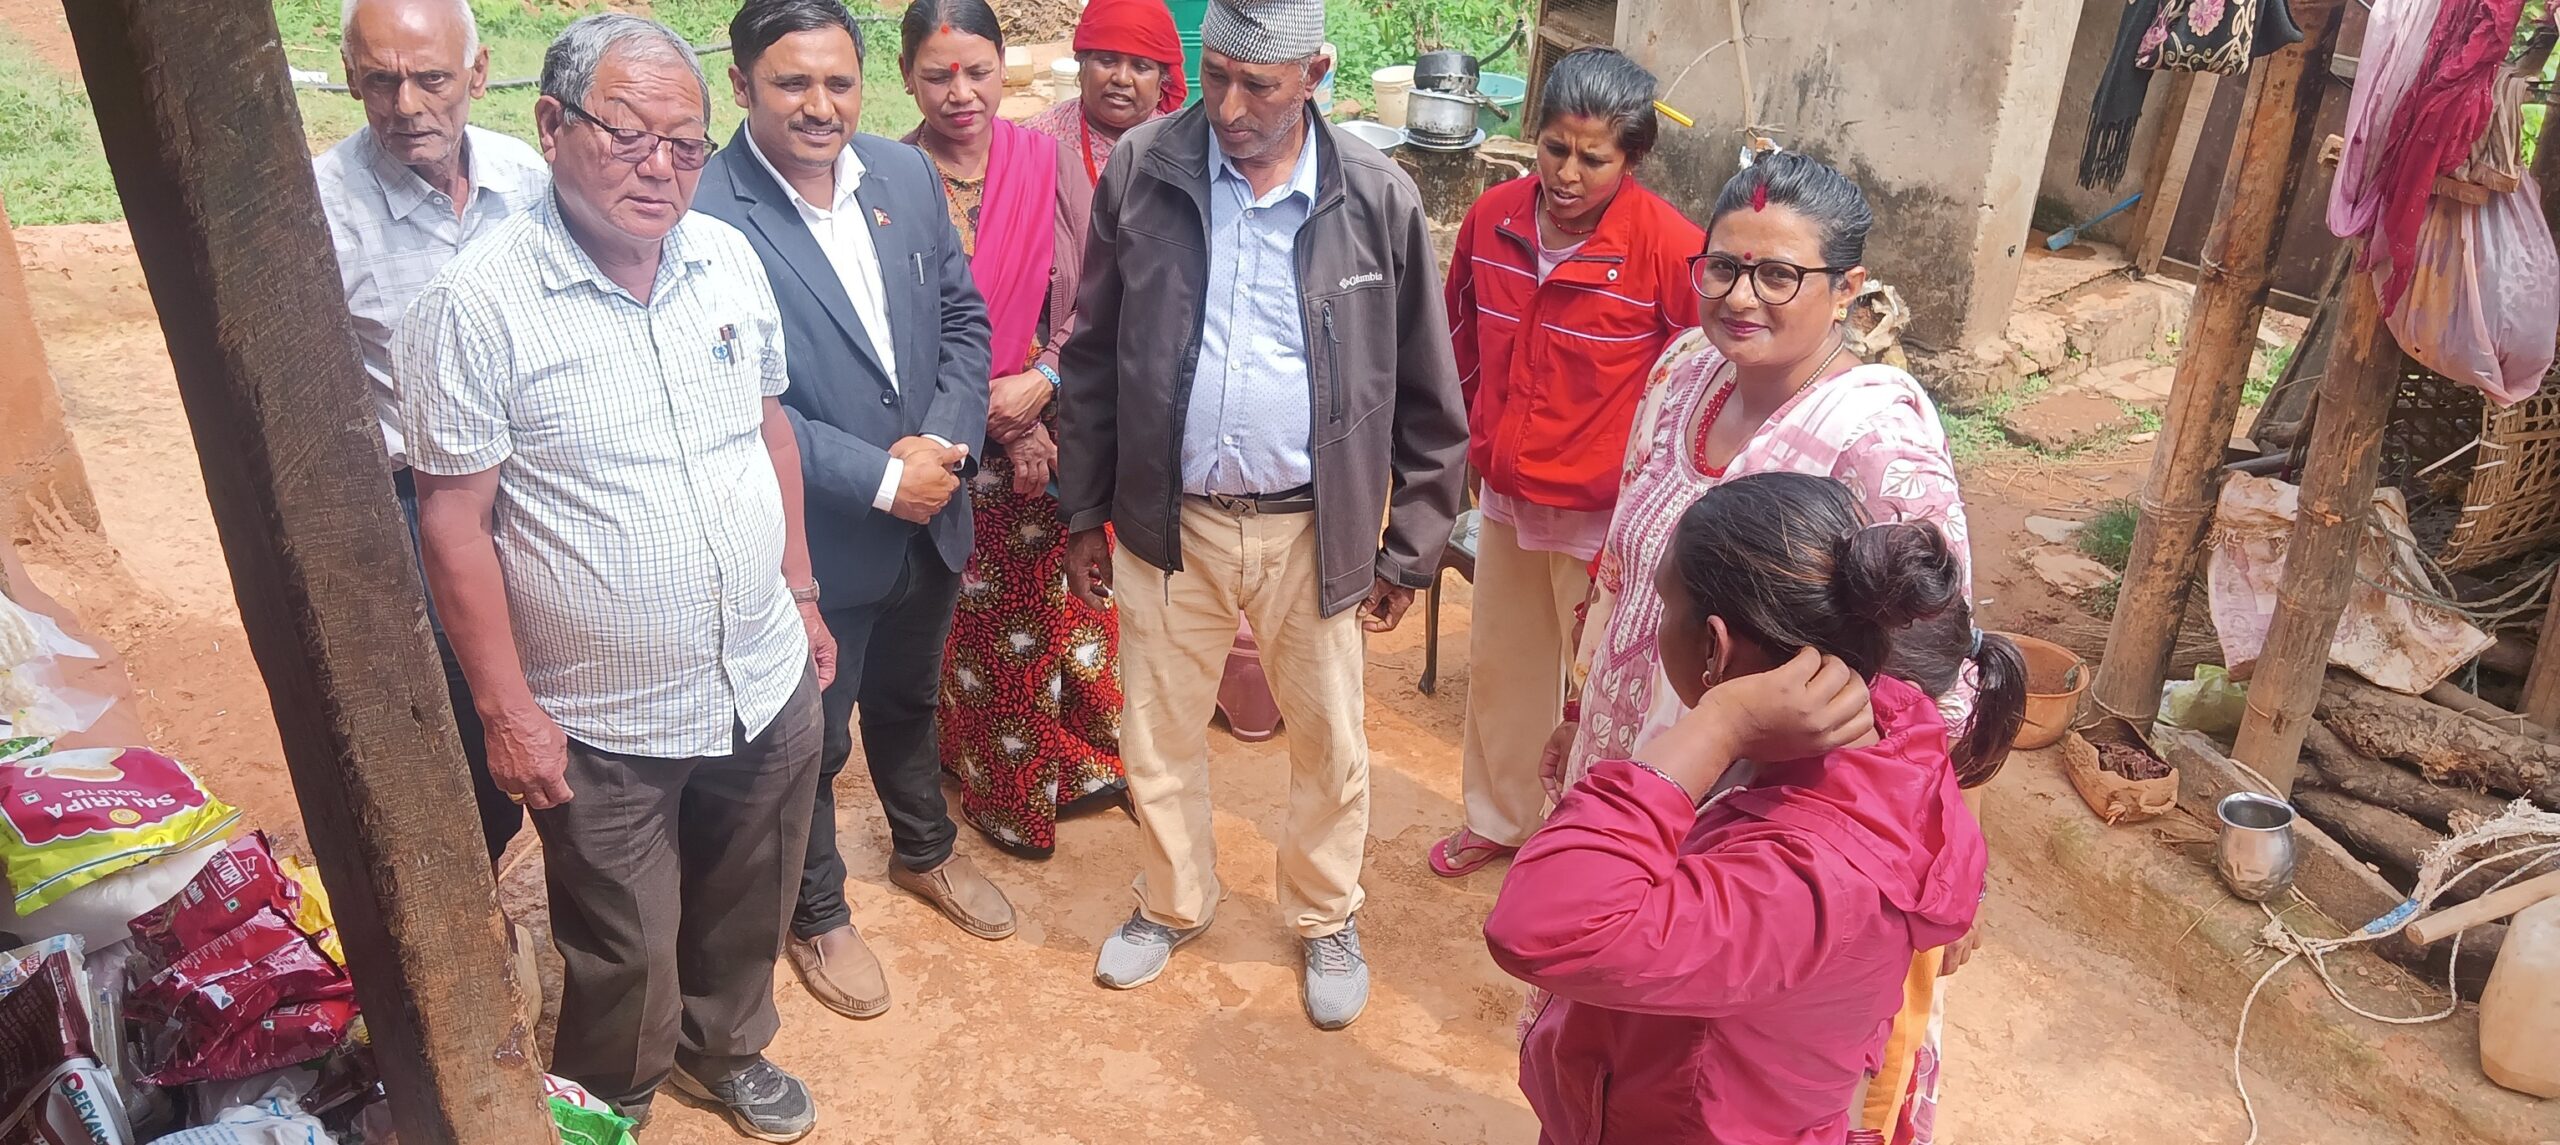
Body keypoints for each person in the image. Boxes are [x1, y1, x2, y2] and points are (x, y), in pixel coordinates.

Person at [397, 14, 832, 1139]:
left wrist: (800, 592)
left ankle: (726, 1046)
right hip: (599, 711)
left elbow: (770, 432)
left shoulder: (725, 256)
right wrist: (507, 711)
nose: (660, 168)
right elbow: (454, 522)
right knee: (621, 937)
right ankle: (613, 1092)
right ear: (551, 125)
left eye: (686, 144)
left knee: (750, 888)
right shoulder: (474, 304)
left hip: (761, 667)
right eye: (628, 134)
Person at [1552, 150, 1979, 1144]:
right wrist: (1580, 719)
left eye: (1779, 274)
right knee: (1610, 1028)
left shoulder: (1880, 439)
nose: (1740, 297)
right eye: (1723, 267)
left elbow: (1934, 672)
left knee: (1714, 1073)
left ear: (1848, 290)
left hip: (1766, 828)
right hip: (1639, 761)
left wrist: (1933, 848)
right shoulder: (1681, 372)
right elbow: (1624, 568)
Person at [1058, 0, 1468, 1031]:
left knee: (1329, 740)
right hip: (1169, 521)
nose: (1230, 108)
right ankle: (1172, 900)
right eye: (1216, 77)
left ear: (1316, 73)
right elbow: (1094, 354)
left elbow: (1427, 390)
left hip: (1312, 528)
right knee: (1157, 730)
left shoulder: (1374, 195)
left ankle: (1325, 912)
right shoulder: (1147, 169)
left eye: (1261, 85)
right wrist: (1084, 512)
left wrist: (1409, 546)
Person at [1485, 471, 2002, 1145]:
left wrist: (1719, 722)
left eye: (1665, 606)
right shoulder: (1894, 738)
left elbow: (1540, 924)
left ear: (1715, 646)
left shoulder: (1800, 876)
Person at [691, 0, 1012, 1031]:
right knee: (816, 740)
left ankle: (925, 848)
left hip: (931, 512)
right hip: (816, 542)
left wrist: (943, 446)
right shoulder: (706, 214)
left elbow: (962, 321)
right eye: (792, 83)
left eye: (839, 82)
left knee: (910, 701)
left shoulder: (903, 175)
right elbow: (732, 397)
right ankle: (817, 909)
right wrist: (877, 476)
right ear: (741, 85)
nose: (820, 106)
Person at [1426, 46, 1702, 879]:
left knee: (1609, 688)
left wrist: (1660, 500)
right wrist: (1470, 438)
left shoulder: (1670, 249)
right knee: (1503, 665)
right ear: (1534, 137)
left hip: (1607, 520)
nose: (1568, 174)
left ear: (1633, 158)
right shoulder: (1493, 219)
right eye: (1554, 149)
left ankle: (1585, 848)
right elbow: (1458, 339)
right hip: (1508, 495)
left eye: (1594, 158)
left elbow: (1695, 382)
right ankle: (1501, 819)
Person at [314, 0, 548, 868]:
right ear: (351, 80)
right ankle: (479, 873)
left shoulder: (526, 180)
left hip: (542, 477)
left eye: (432, 78)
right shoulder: (322, 209)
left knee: (565, 663)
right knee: (464, 692)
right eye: (381, 81)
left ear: (478, 74)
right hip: (420, 498)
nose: (407, 105)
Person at [893, 0, 1125, 860]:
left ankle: (1087, 762)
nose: (960, 93)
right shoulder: (888, 179)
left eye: (978, 72)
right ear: (907, 77)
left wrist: (1045, 380)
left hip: (1059, 425)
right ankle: (1006, 789)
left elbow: (1099, 288)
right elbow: (895, 319)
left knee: (1075, 601)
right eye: (937, 75)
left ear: (1002, 66)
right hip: (950, 433)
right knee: (981, 623)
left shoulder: (1044, 161)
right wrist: (993, 409)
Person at [1022, 0, 1187, 185]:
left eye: (1141, 67)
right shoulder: (1035, 143)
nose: (1122, 78)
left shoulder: (1185, 148)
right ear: (1082, 65)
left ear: (1162, 80)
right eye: (1107, 61)